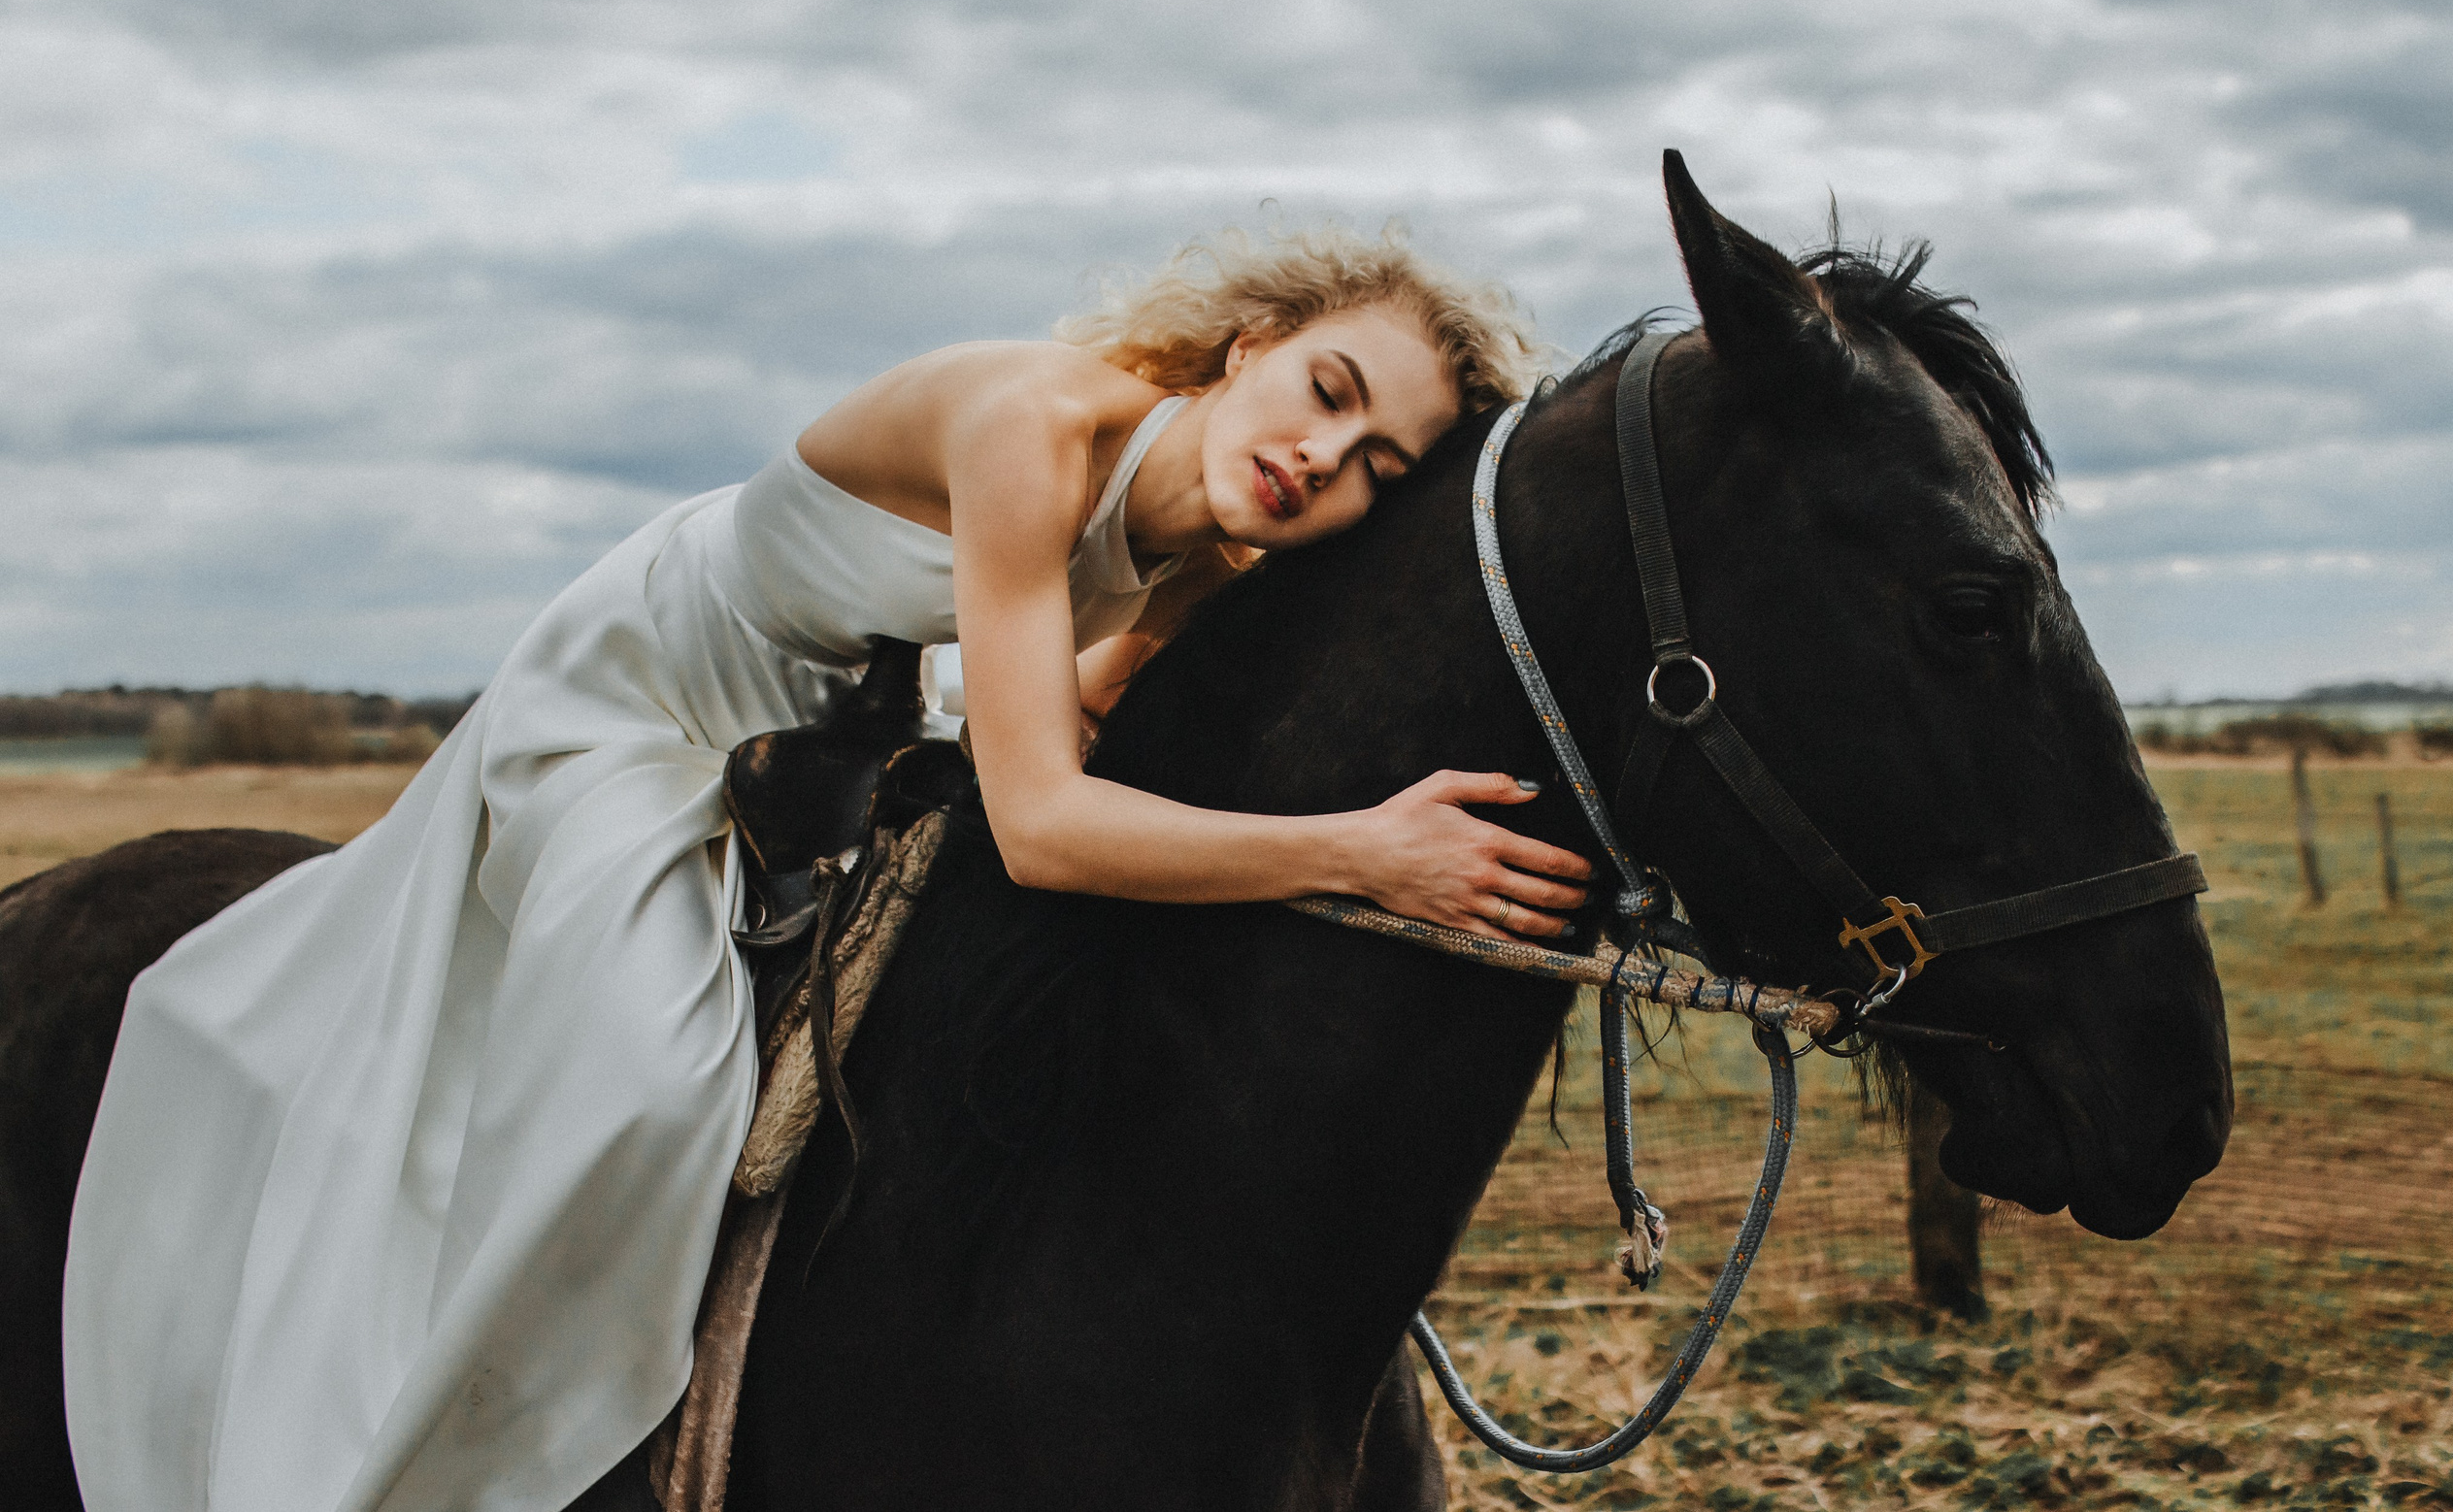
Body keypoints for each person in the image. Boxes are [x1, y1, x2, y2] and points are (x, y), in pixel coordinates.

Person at [62, 225, 1593, 1512]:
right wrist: (1364, 856)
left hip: (817, 733)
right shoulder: (1032, 430)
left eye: (1374, 463)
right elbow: (1046, 827)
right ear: (1249, 339)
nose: (1321, 455)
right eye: (1325, 391)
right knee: (648, 1084)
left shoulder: (1206, 563)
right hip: (649, 699)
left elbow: (1084, 722)